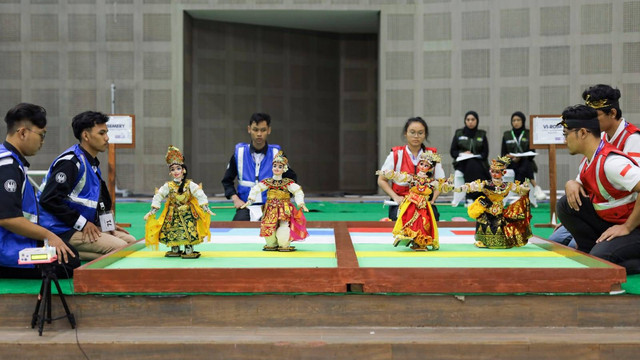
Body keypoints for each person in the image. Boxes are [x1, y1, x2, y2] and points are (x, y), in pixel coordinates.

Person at [38, 111, 136, 261]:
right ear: (86, 136)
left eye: (106, 133)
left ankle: (71, 255)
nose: (107, 138)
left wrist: (108, 225)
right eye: (102, 133)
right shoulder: (70, 162)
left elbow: (100, 201)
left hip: (76, 225)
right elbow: (49, 199)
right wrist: (83, 224)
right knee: (119, 247)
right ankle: (61, 250)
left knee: (131, 242)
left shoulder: (92, 163)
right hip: (59, 228)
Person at [556, 104, 640, 274]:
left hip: (635, 228)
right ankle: (589, 251)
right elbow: (581, 184)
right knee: (565, 205)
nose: (564, 141)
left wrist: (628, 227)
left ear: (582, 133)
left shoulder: (612, 163)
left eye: (566, 135)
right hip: (612, 221)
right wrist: (570, 183)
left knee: (600, 261)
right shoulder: (589, 160)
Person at [0, 103, 78, 279]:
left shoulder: (9, 160)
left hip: (13, 240)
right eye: (41, 135)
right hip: (7, 249)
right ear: (22, 133)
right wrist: (49, 236)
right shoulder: (8, 167)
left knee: (68, 252)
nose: (42, 141)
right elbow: (7, 218)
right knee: (69, 262)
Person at [221, 113, 297, 221]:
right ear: (249, 129)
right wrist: (235, 199)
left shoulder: (277, 154)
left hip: (271, 207)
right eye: (255, 130)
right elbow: (227, 181)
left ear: (269, 130)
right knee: (238, 228)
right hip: (246, 207)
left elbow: (292, 180)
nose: (259, 134)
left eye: (263, 130)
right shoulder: (239, 153)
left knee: (280, 230)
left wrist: (282, 200)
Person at [144, 146, 214, 258]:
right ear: (170, 173)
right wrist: (152, 211)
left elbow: (199, 194)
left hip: (188, 214)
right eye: (172, 169)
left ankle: (188, 250)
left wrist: (206, 208)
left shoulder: (189, 184)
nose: (175, 172)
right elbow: (158, 196)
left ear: (183, 170)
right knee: (172, 231)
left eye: (178, 168)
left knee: (190, 231)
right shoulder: (168, 186)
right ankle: (175, 249)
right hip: (172, 214)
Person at [377, 151, 453, 251]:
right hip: (411, 204)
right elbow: (399, 176)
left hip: (423, 206)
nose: (422, 167)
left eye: (426, 165)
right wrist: (389, 174)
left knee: (423, 222)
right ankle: (408, 237)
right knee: (408, 220)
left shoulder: (431, 182)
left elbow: (443, 187)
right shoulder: (412, 178)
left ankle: (420, 242)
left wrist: (450, 185)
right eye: (421, 164)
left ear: (430, 168)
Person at [378, 117, 445, 221]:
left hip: (424, 202)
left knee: (432, 218)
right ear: (406, 133)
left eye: (420, 133)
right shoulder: (396, 154)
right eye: (412, 132)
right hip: (401, 201)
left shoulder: (432, 155)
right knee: (402, 219)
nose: (416, 136)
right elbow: (381, 180)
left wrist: (433, 199)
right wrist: (395, 197)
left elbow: (441, 181)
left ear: (425, 134)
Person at [241, 151, 308, 252]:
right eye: (275, 166)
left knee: (284, 225)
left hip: (284, 208)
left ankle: (283, 244)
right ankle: (271, 244)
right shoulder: (268, 182)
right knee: (268, 224)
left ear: (284, 169)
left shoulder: (287, 183)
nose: (277, 168)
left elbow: (297, 191)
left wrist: (301, 203)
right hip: (270, 208)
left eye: (280, 166)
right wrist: (250, 200)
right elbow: (256, 189)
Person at [463, 156, 532, 249]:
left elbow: (521, 190)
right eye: (492, 171)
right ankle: (483, 240)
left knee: (504, 225)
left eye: (497, 172)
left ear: (504, 172)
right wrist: (462, 188)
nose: (494, 174)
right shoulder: (486, 184)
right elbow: (473, 186)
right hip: (487, 212)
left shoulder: (508, 185)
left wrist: (525, 187)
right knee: (483, 222)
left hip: (499, 213)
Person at [500, 111, 546, 201]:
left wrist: (520, 157)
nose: (516, 122)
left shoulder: (528, 133)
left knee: (525, 164)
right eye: (514, 120)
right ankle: (536, 187)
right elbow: (503, 154)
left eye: (518, 120)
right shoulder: (507, 135)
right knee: (525, 166)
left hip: (526, 161)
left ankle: (519, 191)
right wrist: (511, 157)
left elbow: (532, 153)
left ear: (523, 121)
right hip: (511, 163)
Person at [450, 111, 490, 203]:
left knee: (473, 164)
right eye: (468, 120)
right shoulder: (459, 133)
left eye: (473, 119)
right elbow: (453, 152)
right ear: (465, 121)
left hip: (479, 162)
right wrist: (462, 153)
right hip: (461, 163)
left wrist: (474, 155)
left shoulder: (482, 134)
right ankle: (473, 196)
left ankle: (474, 196)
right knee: (471, 164)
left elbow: (485, 154)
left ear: (477, 121)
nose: (470, 122)